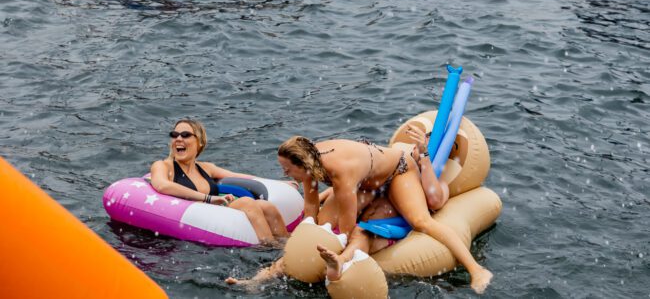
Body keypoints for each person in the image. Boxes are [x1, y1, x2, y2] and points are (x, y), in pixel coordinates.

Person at [275, 136, 492, 293]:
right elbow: (311, 207)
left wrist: (342, 249)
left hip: (397, 171)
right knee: (323, 223)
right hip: (366, 180)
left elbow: (347, 224)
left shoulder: (341, 171)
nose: (285, 173)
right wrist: (302, 240)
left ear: (303, 164)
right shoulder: (310, 163)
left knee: (421, 221)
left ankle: (477, 269)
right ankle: (271, 271)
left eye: (287, 170)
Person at [150, 119, 289, 245]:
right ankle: (269, 248)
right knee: (247, 202)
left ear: (199, 142)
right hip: (197, 219)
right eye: (174, 135)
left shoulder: (205, 168)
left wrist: (278, 184)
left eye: (185, 135)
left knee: (266, 206)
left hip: (217, 212)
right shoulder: (164, 166)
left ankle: (286, 244)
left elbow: (237, 176)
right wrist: (209, 198)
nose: (178, 139)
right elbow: (162, 185)